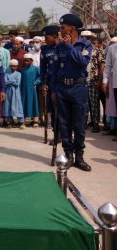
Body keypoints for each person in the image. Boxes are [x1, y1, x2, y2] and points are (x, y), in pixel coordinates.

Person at [50, 13, 92, 171]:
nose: (60, 30)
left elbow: (82, 63)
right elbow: (53, 71)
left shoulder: (85, 45)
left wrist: (69, 47)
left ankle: (79, 157)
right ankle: (68, 155)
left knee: (79, 125)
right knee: (64, 124)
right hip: (62, 90)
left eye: (63, 28)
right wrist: (53, 90)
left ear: (72, 28)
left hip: (78, 89)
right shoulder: (59, 46)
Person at [40, 25, 60, 139]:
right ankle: (56, 133)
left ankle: (63, 133)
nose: (45, 39)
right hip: (50, 83)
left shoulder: (62, 47)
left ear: (54, 36)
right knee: (52, 109)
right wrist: (43, 83)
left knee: (62, 110)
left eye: (47, 37)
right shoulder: (45, 49)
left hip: (62, 83)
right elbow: (43, 68)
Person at [87, 37, 105, 133]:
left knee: (94, 104)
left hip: (94, 80)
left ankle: (96, 123)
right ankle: (86, 122)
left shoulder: (98, 52)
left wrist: (99, 80)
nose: (92, 44)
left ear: (99, 44)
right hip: (85, 80)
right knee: (86, 103)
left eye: (94, 43)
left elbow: (102, 66)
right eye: (91, 42)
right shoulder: (86, 51)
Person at [20, 53, 41, 127]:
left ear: (31, 61)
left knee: (33, 103)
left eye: (28, 61)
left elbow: (40, 77)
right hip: (23, 89)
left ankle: (35, 121)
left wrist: (36, 82)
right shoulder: (22, 70)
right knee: (24, 103)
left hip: (32, 89)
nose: (26, 62)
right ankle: (23, 121)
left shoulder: (36, 68)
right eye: (25, 61)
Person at [3, 59, 24, 129]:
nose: (13, 67)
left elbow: (17, 83)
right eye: (12, 66)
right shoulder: (6, 74)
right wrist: (13, 81)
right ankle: (10, 121)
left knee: (17, 105)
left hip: (16, 92)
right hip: (8, 92)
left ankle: (21, 121)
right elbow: (5, 82)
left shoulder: (19, 74)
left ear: (17, 66)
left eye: (15, 66)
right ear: (9, 66)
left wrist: (9, 81)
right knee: (8, 105)